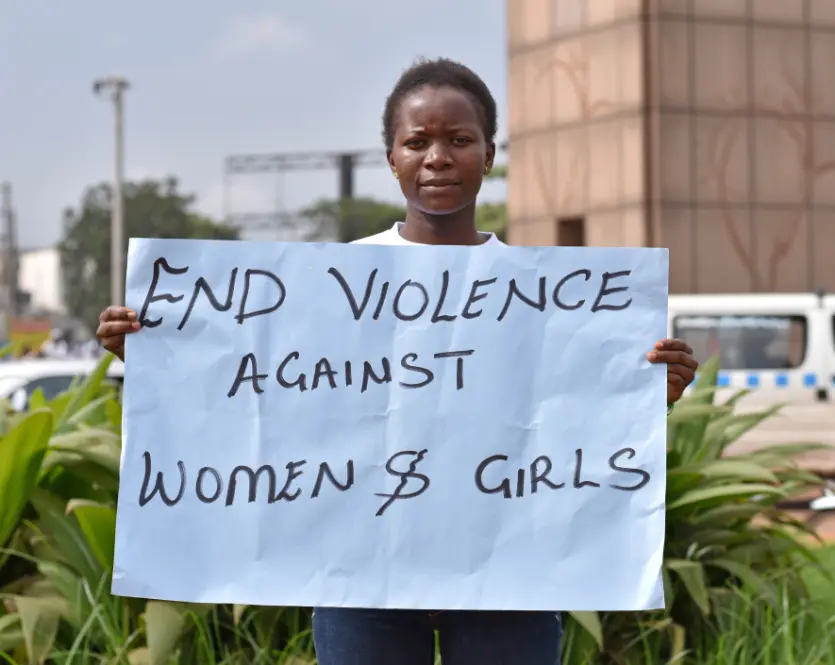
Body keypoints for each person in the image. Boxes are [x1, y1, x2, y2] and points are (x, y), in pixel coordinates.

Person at [96, 57, 699, 665]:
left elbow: (575, 420)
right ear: (391, 158)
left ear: (489, 154)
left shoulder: (548, 295)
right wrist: (159, 352)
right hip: (361, 583)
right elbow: (257, 399)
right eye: (417, 142)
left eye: (459, 140)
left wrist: (648, 392)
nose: (437, 157)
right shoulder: (325, 286)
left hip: (508, 578)